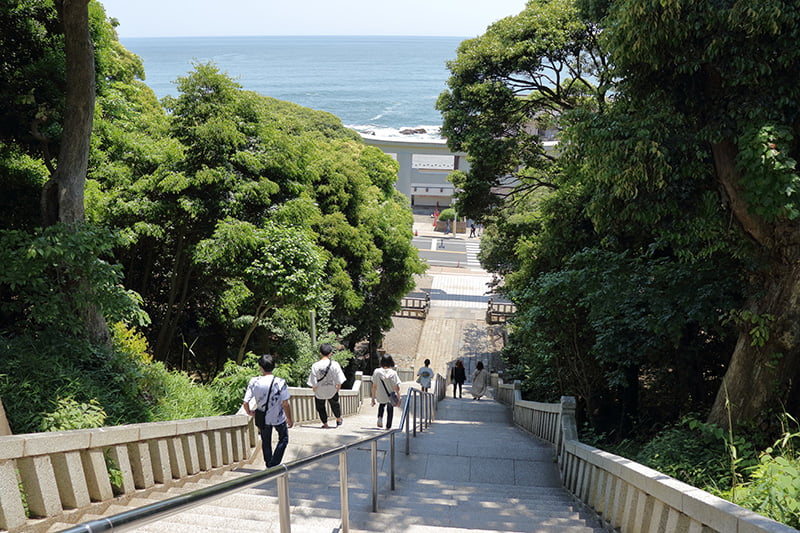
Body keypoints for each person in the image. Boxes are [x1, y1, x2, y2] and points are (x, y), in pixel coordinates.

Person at [242, 354, 294, 468]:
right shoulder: (280, 382)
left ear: (260, 366)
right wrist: (289, 419)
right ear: (274, 366)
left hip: (262, 417)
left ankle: (268, 464)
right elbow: (285, 403)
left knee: (266, 440)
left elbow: (245, 402)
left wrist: (249, 412)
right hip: (278, 417)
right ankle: (275, 463)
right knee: (283, 439)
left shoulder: (254, 381)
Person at [307, 343, 346, 428]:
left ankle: (325, 424)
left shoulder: (315, 365)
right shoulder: (335, 364)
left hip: (320, 390)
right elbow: (339, 381)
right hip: (332, 389)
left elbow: (313, 382)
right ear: (331, 353)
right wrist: (337, 389)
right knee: (335, 405)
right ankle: (338, 419)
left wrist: (315, 389)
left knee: (320, 408)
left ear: (320, 353)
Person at [372, 355, 401, 429]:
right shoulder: (393, 373)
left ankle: (380, 418)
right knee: (390, 409)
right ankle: (388, 426)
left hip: (380, 394)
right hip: (390, 395)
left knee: (381, 405)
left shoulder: (377, 371)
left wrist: (373, 398)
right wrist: (399, 397)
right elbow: (396, 387)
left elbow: (374, 386)